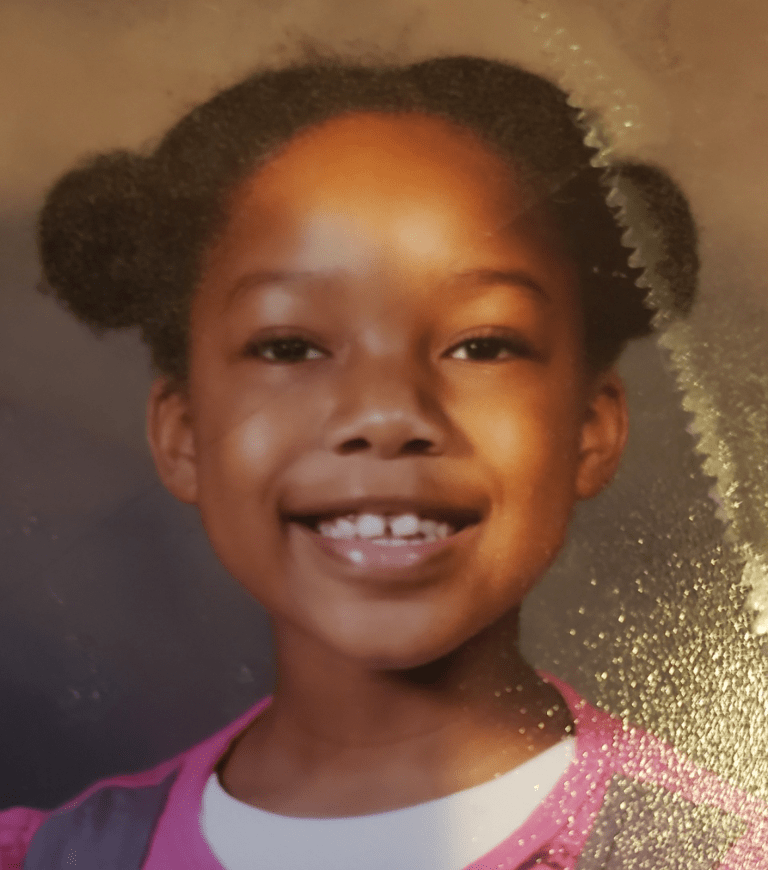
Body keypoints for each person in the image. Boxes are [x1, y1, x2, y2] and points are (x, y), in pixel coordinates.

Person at [1, 54, 765, 870]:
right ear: (182, 432)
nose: (390, 413)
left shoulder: (713, 854)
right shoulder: (64, 856)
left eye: (482, 344)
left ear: (592, 427)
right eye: (290, 345)